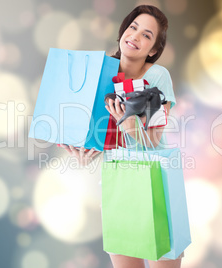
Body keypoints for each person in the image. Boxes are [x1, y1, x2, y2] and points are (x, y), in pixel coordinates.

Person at [61, 5, 182, 268]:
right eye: (133, 28)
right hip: (119, 185)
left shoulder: (157, 76)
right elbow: (102, 136)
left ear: (153, 49)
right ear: (123, 32)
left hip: (156, 184)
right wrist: (86, 155)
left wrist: (129, 124)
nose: (136, 37)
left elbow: (153, 141)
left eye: (147, 35)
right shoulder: (101, 76)